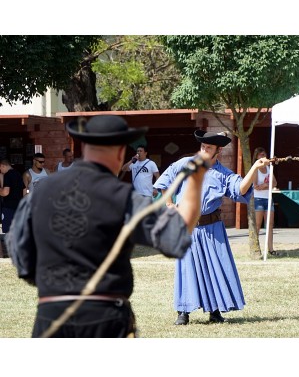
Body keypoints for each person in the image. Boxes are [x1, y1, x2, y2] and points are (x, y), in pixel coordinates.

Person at [6, 115, 209, 338]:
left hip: (51, 316)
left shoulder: (41, 192)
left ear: (85, 146)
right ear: (121, 152)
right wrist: (197, 180)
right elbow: (176, 238)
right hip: (106, 318)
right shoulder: (123, 197)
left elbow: (19, 251)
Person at [154, 129, 271, 325]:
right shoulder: (184, 164)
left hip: (212, 228)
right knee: (186, 268)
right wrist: (169, 205)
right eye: (202, 146)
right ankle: (183, 312)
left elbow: (241, 189)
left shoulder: (223, 174)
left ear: (218, 152)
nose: (204, 150)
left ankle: (215, 311)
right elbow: (164, 181)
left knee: (215, 268)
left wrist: (254, 169)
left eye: (208, 148)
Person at [252, 146, 278, 256]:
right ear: (257, 157)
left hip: (268, 199)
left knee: (270, 225)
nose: (264, 157)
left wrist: (266, 185)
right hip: (258, 199)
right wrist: (267, 185)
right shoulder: (256, 168)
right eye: (261, 155)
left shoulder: (269, 168)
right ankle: (257, 249)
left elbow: (274, 183)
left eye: (264, 154)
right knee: (258, 225)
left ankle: (270, 249)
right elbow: (256, 186)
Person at [0, 159, 25, 234]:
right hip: (18, 207)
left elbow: (5, 192)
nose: (0, 170)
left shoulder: (8, 175)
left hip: (8, 208)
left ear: (3, 166)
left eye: (0, 168)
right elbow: (24, 189)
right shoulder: (18, 174)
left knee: (8, 232)